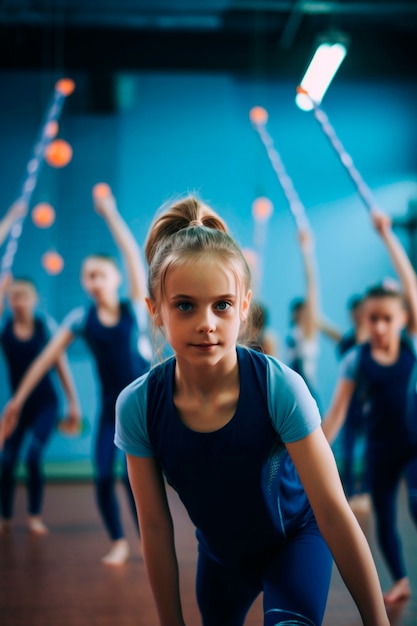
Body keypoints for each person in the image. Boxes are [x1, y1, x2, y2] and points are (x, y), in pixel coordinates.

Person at [114, 194, 389, 626]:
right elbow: (154, 527)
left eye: (221, 304)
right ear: (156, 311)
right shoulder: (138, 406)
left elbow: (335, 513)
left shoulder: (280, 388)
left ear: (243, 308)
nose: (206, 322)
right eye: (185, 305)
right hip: (221, 561)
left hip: (297, 540)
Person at [0, 185, 152, 565]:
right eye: (87, 276)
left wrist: (110, 214)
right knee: (103, 475)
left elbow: (134, 255)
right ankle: (119, 542)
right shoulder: (80, 319)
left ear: (115, 278)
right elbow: (43, 360)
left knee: (138, 481)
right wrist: (16, 402)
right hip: (110, 412)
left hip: (148, 408)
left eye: (100, 274)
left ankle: (150, 543)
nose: (93, 281)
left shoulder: (134, 308)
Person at [322, 209, 417, 606]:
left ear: (401, 320)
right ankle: (400, 580)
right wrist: (308, 454)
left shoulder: (411, 343)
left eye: (386, 319)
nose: (379, 327)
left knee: (416, 503)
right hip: (379, 451)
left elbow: (410, 286)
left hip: (413, 445)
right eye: (372, 319)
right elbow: (337, 414)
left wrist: (387, 236)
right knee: (382, 521)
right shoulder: (354, 360)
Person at [0, 201, 81, 535]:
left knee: (33, 456)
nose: (19, 301)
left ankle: (33, 515)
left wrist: (73, 402)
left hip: (47, 403)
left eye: (25, 296)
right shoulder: (4, 326)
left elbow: (61, 366)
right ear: (8, 299)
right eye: (14, 296)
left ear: (34, 300)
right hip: (19, 407)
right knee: (6, 461)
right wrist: (8, 220)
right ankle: (5, 518)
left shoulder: (45, 325)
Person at [286, 228, 340, 408]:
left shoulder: (307, 333)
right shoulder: (294, 334)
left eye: (305, 310)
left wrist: (306, 250)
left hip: (306, 393)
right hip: (291, 392)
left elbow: (312, 286)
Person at [336, 295, 370, 506]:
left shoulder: (375, 339)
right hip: (350, 403)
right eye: (354, 311)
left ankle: (366, 489)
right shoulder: (348, 341)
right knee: (347, 448)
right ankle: (348, 491)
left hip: (369, 404)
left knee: (369, 448)